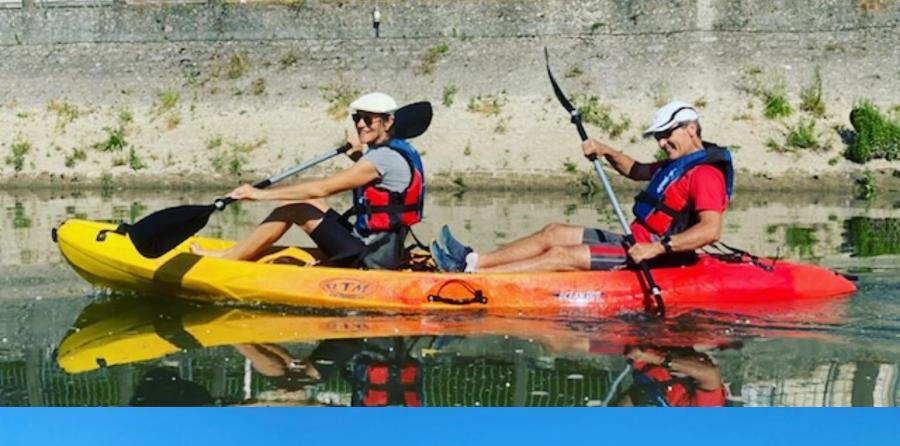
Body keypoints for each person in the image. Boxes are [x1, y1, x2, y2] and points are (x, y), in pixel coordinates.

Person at [430, 100, 732, 274]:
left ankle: (476, 277)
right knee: (553, 232)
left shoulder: (705, 174)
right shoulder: (675, 165)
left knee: (561, 254)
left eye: (666, 135)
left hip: (658, 257)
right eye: (658, 138)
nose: (662, 143)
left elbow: (710, 231)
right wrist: (606, 150)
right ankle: (473, 259)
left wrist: (656, 248)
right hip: (636, 241)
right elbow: (636, 170)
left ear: (691, 127)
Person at [191, 91, 424, 269]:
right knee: (308, 206)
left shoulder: (382, 157)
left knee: (296, 209)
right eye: (357, 118)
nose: (361, 124)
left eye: (368, 119)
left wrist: (259, 194)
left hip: (372, 256)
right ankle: (237, 251)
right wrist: (357, 157)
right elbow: (383, 179)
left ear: (388, 122)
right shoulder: (396, 150)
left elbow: (321, 188)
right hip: (375, 244)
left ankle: (229, 259)